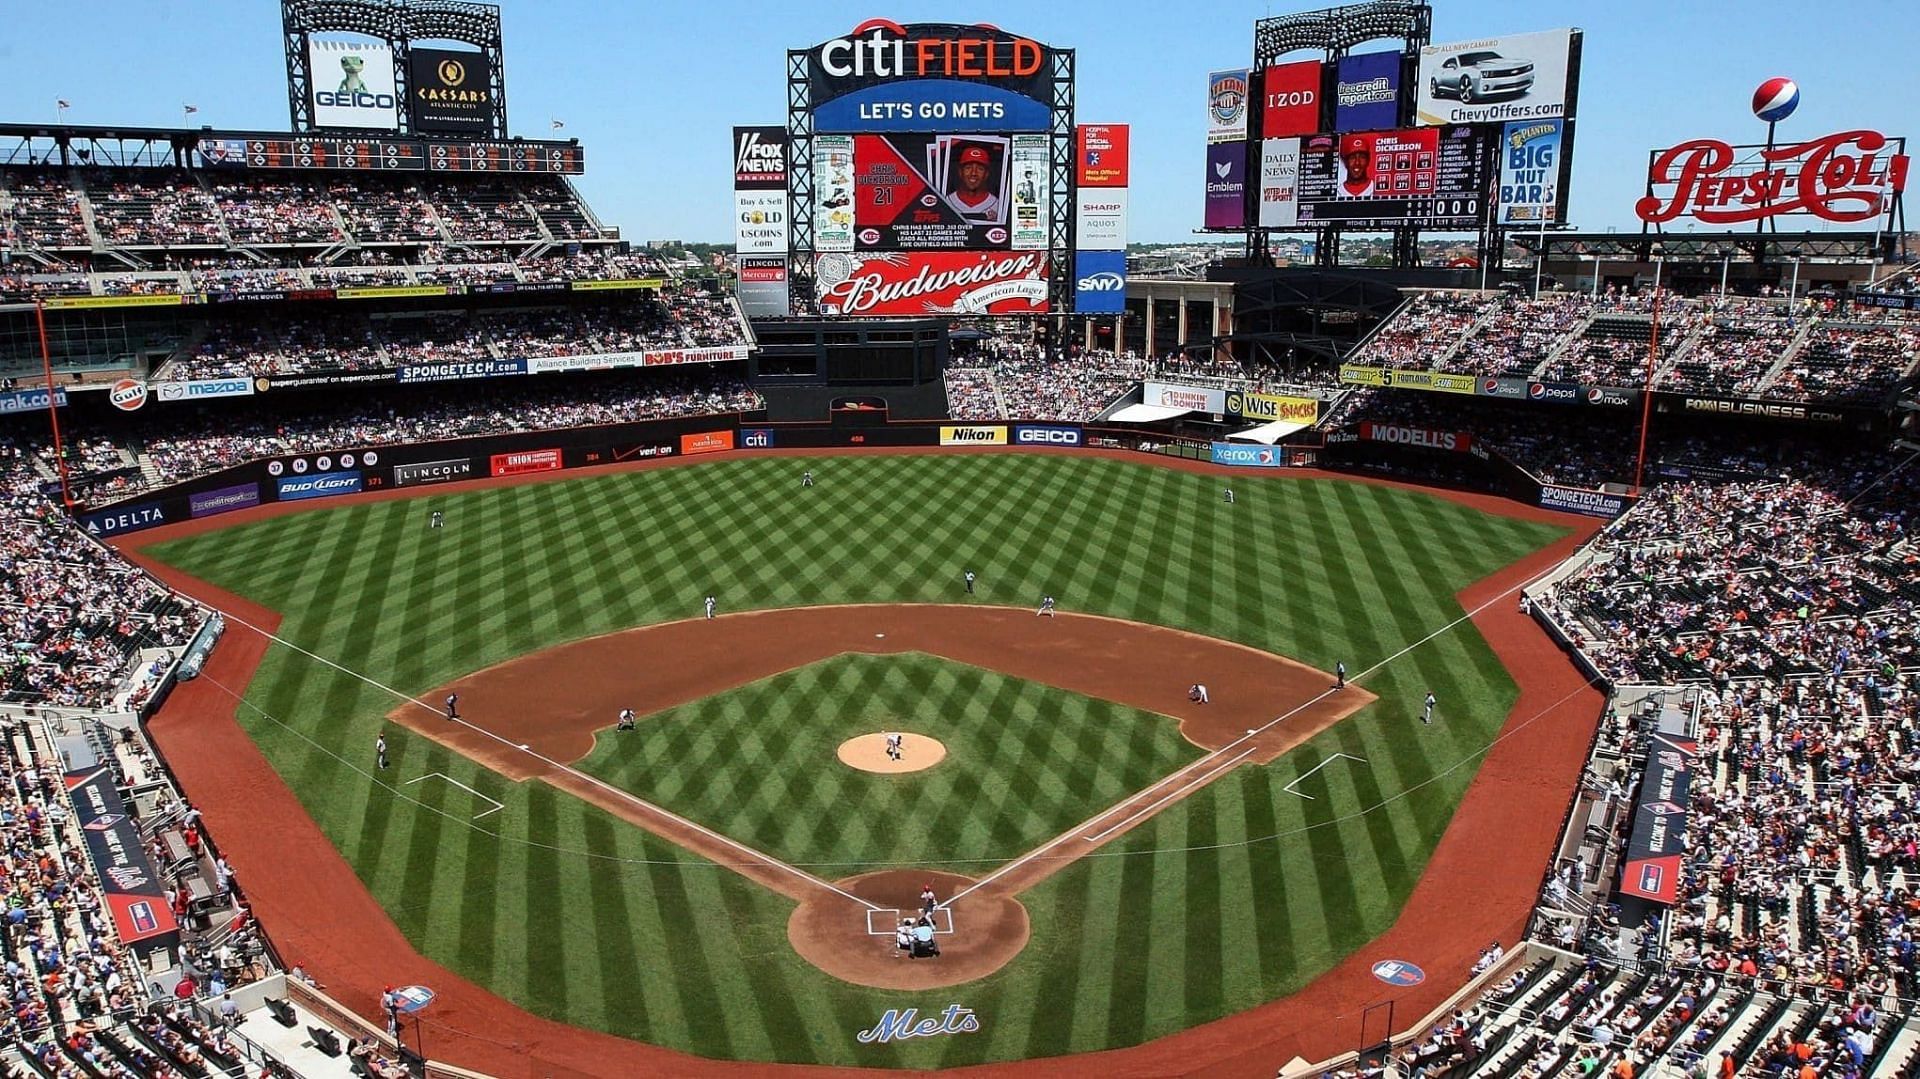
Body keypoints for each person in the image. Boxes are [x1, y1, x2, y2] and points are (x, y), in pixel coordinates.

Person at [950, 145, 1000, 222]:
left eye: (980, 169)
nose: (973, 173)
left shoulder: (998, 205)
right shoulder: (946, 202)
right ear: (960, 172)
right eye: (968, 168)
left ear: (986, 174)